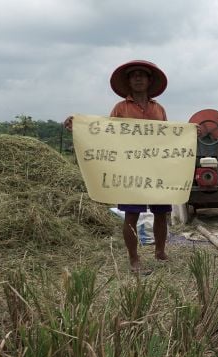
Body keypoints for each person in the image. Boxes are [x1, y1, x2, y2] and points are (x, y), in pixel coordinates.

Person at [64, 60, 171, 273]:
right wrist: (79, 127)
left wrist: (190, 134)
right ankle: (134, 259)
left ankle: (160, 252)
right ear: (129, 82)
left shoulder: (159, 109)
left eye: (142, 75)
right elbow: (105, 133)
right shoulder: (120, 108)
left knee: (161, 214)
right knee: (132, 214)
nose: (138, 78)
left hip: (156, 168)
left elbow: (169, 137)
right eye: (134, 75)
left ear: (150, 81)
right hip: (130, 170)